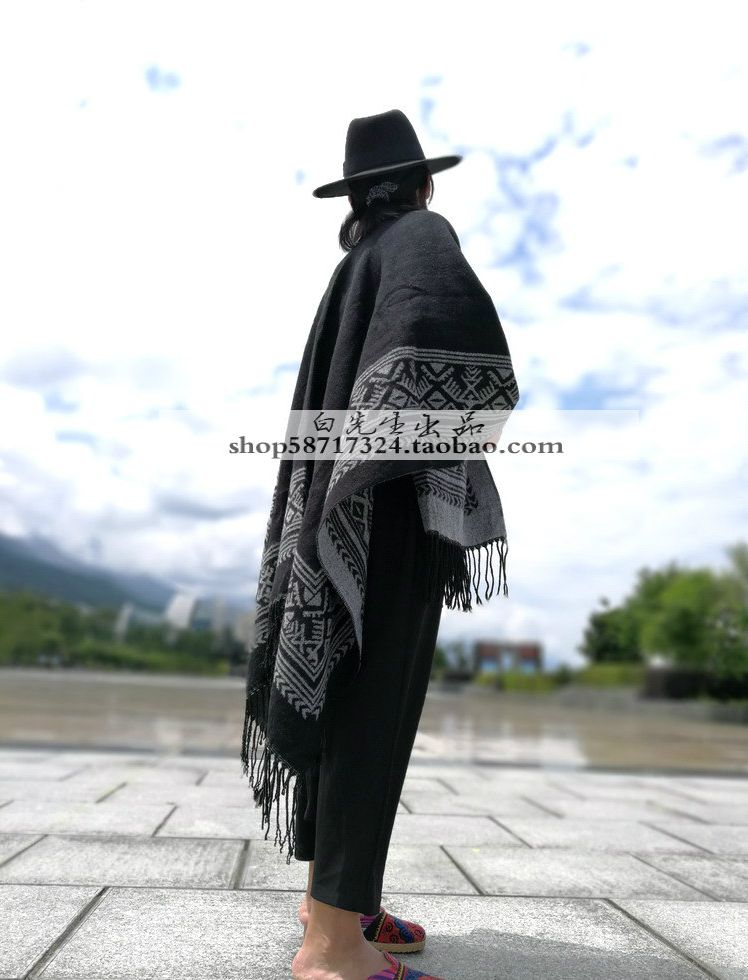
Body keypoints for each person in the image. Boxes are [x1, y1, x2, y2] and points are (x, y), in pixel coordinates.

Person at [241, 109, 519, 980]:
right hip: (389, 510)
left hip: (340, 510)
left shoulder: (352, 267)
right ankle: (333, 952)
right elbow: (462, 346)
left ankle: (337, 904)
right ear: (424, 185)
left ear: (357, 197)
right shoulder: (424, 237)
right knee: (375, 709)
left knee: (344, 698)